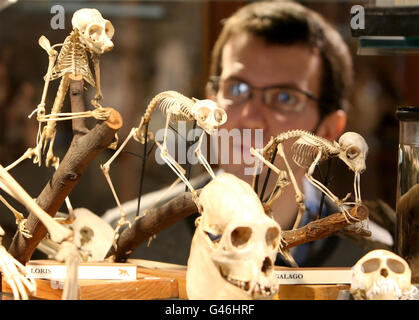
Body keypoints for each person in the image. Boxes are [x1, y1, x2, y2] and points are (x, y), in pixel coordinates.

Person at [103, 0, 369, 267]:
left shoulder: (371, 254)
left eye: (286, 97)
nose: (251, 120)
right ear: (211, 100)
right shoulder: (121, 238)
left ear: (328, 129)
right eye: (237, 90)